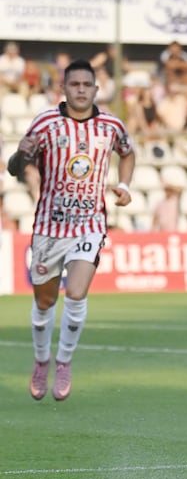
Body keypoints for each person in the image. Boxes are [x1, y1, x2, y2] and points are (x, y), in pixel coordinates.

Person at [7, 58, 135, 401]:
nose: (80, 90)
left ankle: (63, 361)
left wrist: (124, 184)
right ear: (63, 89)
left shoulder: (110, 124)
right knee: (44, 302)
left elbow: (127, 152)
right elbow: (14, 166)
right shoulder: (46, 122)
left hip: (89, 224)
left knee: (76, 293)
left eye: (86, 85)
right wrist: (22, 156)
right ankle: (41, 359)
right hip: (49, 227)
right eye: (74, 84)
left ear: (96, 89)